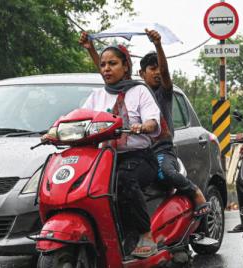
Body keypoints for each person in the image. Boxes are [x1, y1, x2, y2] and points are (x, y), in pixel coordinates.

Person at [79, 30, 209, 216]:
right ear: (140, 72)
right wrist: (90, 49)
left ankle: (194, 192)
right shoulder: (129, 90)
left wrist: (158, 45)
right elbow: (108, 72)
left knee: (165, 173)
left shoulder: (158, 92)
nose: (157, 72)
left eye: (158, 68)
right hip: (121, 152)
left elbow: (164, 73)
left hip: (159, 149)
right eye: (151, 68)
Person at [81, 45, 161, 258]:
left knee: (123, 179)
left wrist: (144, 126)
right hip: (104, 159)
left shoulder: (139, 91)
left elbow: (153, 121)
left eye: (113, 63)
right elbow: (80, 118)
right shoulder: (97, 96)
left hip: (139, 157)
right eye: (103, 64)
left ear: (125, 66)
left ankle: (145, 234)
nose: (107, 68)